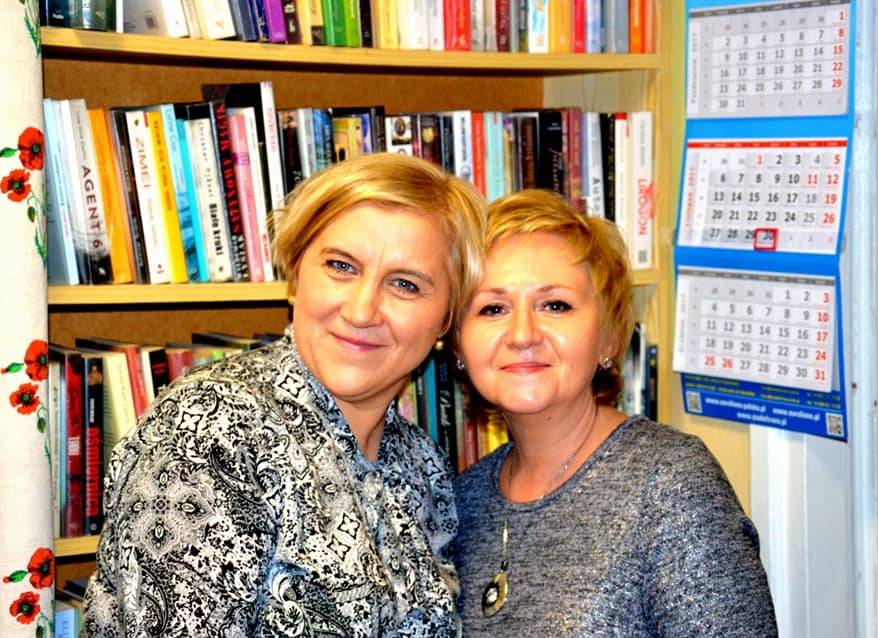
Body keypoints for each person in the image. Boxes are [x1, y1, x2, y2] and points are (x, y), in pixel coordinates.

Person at [83, 153, 486, 637]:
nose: (362, 311)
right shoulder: (211, 428)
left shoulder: (421, 461)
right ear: (295, 276)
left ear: (446, 318)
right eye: (341, 266)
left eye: (405, 284)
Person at [452, 190, 777, 637]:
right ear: (458, 344)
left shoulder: (670, 483)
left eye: (555, 305)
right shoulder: (459, 502)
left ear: (607, 336)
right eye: (493, 308)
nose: (522, 334)